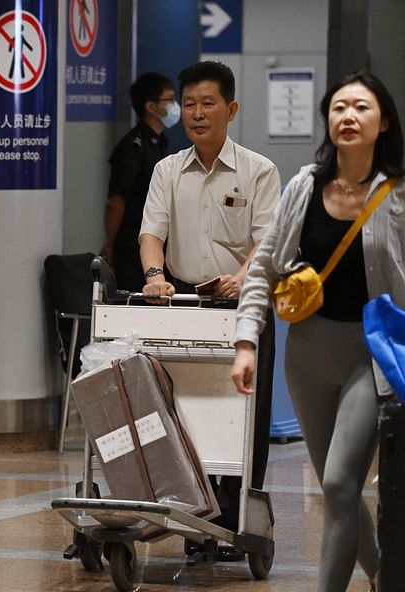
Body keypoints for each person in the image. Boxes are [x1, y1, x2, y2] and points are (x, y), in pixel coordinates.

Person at [231, 71, 405, 592]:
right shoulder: (304, 186)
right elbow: (263, 268)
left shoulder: (397, 194)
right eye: (339, 108)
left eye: (361, 108)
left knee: (336, 481)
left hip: (371, 355)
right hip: (307, 353)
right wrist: (245, 341)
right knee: (342, 494)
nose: (348, 117)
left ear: (384, 122)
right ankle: (386, 580)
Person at [139, 61, 280, 561]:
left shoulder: (259, 171)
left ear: (231, 109)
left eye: (208, 104)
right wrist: (156, 277)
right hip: (185, 303)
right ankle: (200, 522)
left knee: (244, 418)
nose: (197, 114)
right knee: (189, 414)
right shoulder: (166, 169)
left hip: (245, 306)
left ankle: (239, 520)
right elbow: (151, 233)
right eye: (190, 105)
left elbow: (267, 244)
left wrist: (241, 278)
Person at [100, 72, 179, 292]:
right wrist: (111, 244)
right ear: (151, 107)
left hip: (159, 240)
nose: (176, 106)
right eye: (170, 100)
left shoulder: (159, 143)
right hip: (132, 243)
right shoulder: (132, 147)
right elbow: (116, 201)